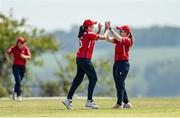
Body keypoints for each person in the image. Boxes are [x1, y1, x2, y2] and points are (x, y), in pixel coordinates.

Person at [62, 19, 109, 110]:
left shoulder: (85, 34)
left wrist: (99, 30)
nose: (93, 27)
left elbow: (94, 39)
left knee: (78, 79)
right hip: (85, 59)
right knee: (93, 78)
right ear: (88, 27)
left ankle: (68, 100)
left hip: (80, 58)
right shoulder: (89, 34)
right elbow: (104, 37)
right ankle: (89, 101)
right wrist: (107, 29)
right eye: (92, 26)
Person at [105, 21, 133, 109]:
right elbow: (108, 39)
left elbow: (119, 38)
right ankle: (127, 103)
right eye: (120, 31)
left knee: (120, 83)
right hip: (117, 63)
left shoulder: (127, 40)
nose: (120, 32)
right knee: (119, 83)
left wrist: (111, 29)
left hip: (123, 64)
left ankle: (119, 103)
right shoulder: (119, 40)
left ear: (127, 33)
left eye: (121, 31)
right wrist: (106, 30)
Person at [6, 37, 31, 102]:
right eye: (21, 42)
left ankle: (14, 91)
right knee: (18, 80)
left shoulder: (25, 48)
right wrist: (9, 60)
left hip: (23, 67)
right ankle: (19, 95)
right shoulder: (13, 48)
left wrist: (24, 56)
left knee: (18, 82)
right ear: (18, 43)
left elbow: (29, 56)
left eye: (23, 42)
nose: (23, 43)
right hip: (15, 66)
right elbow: (8, 52)